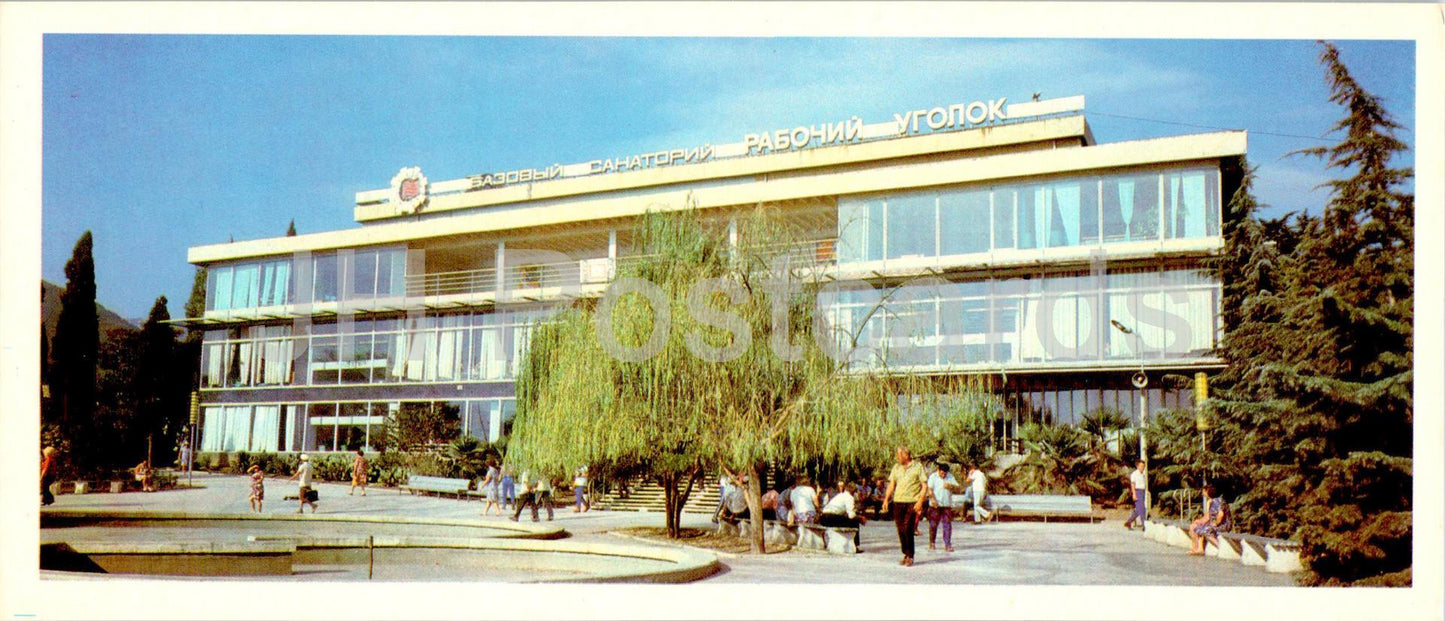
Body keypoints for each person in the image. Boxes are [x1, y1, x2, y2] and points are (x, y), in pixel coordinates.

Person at [882, 446, 928, 567]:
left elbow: (924, 486)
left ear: (906, 455)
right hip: (898, 502)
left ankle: (910, 555)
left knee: (908, 528)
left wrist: (920, 502)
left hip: (912, 502)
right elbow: (892, 485)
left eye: (899, 455)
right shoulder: (896, 468)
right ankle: (905, 553)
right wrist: (886, 499)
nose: (897, 457)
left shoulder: (917, 467)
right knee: (900, 529)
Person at [820, 480, 868, 552]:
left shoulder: (840, 495)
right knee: (855, 522)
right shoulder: (849, 497)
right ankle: (855, 546)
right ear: (854, 491)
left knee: (849, 520)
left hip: (824, 517)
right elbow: (851, 515)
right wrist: (861, 518)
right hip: (831, 517)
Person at [926, 462, 961, 552]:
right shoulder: (933, 477)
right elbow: (929, 490)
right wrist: (932, 499)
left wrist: (951, 487)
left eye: (945, 473)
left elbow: (958, 488)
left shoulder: (950, 477)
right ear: (938, 470)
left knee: (947, 525)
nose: (943, 475)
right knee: (933, 525)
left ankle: (948, 544)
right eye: (941, 473)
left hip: (946, 505)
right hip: (935, 505)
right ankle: (932, 542)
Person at [1189, 484, 1232, 555]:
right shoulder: (1211, 501)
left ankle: (1221, 547)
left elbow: (1221, 515)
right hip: (1217, 523)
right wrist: (1200, 522)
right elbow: (1208, 516)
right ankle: (1199, 549)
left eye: (1204, 492)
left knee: (1206, 530)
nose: (1203, 494)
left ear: (1208, 491)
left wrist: (1215, 523)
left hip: (1224, 524)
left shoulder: (1218, 501)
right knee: (1198, 527)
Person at [1123, 460, 1148, 530]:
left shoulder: (1143, 475)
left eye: (1143, 466)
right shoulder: (1134, 474)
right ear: (1137, 466)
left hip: (1142, 491)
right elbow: (1132, 484)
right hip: (1137, 491)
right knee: (1142, 509)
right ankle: (1145, 525)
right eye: (1141, 466)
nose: (1142, 468)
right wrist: (1134, 494)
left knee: (1139, 509)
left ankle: (1128, 522)